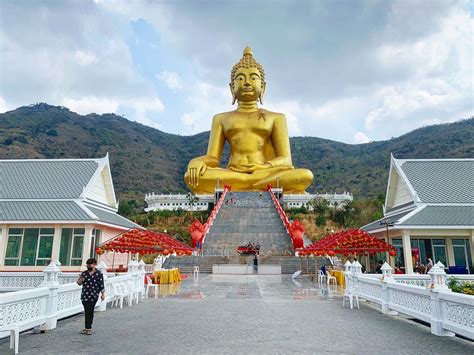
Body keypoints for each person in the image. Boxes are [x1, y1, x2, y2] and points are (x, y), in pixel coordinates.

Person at [77, 258, 105, 335]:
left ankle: (88, 328)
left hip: (94, 295)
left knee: (90, 310)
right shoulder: (84, 273)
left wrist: (103, 294)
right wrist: (81, 279)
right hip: (85, 295)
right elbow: (79, 283)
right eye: (87, 265)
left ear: (94, 264)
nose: (88, 266)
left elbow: (101, 285)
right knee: (87, 311)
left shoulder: (99, 274)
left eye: (90, 264)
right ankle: (87, 327)